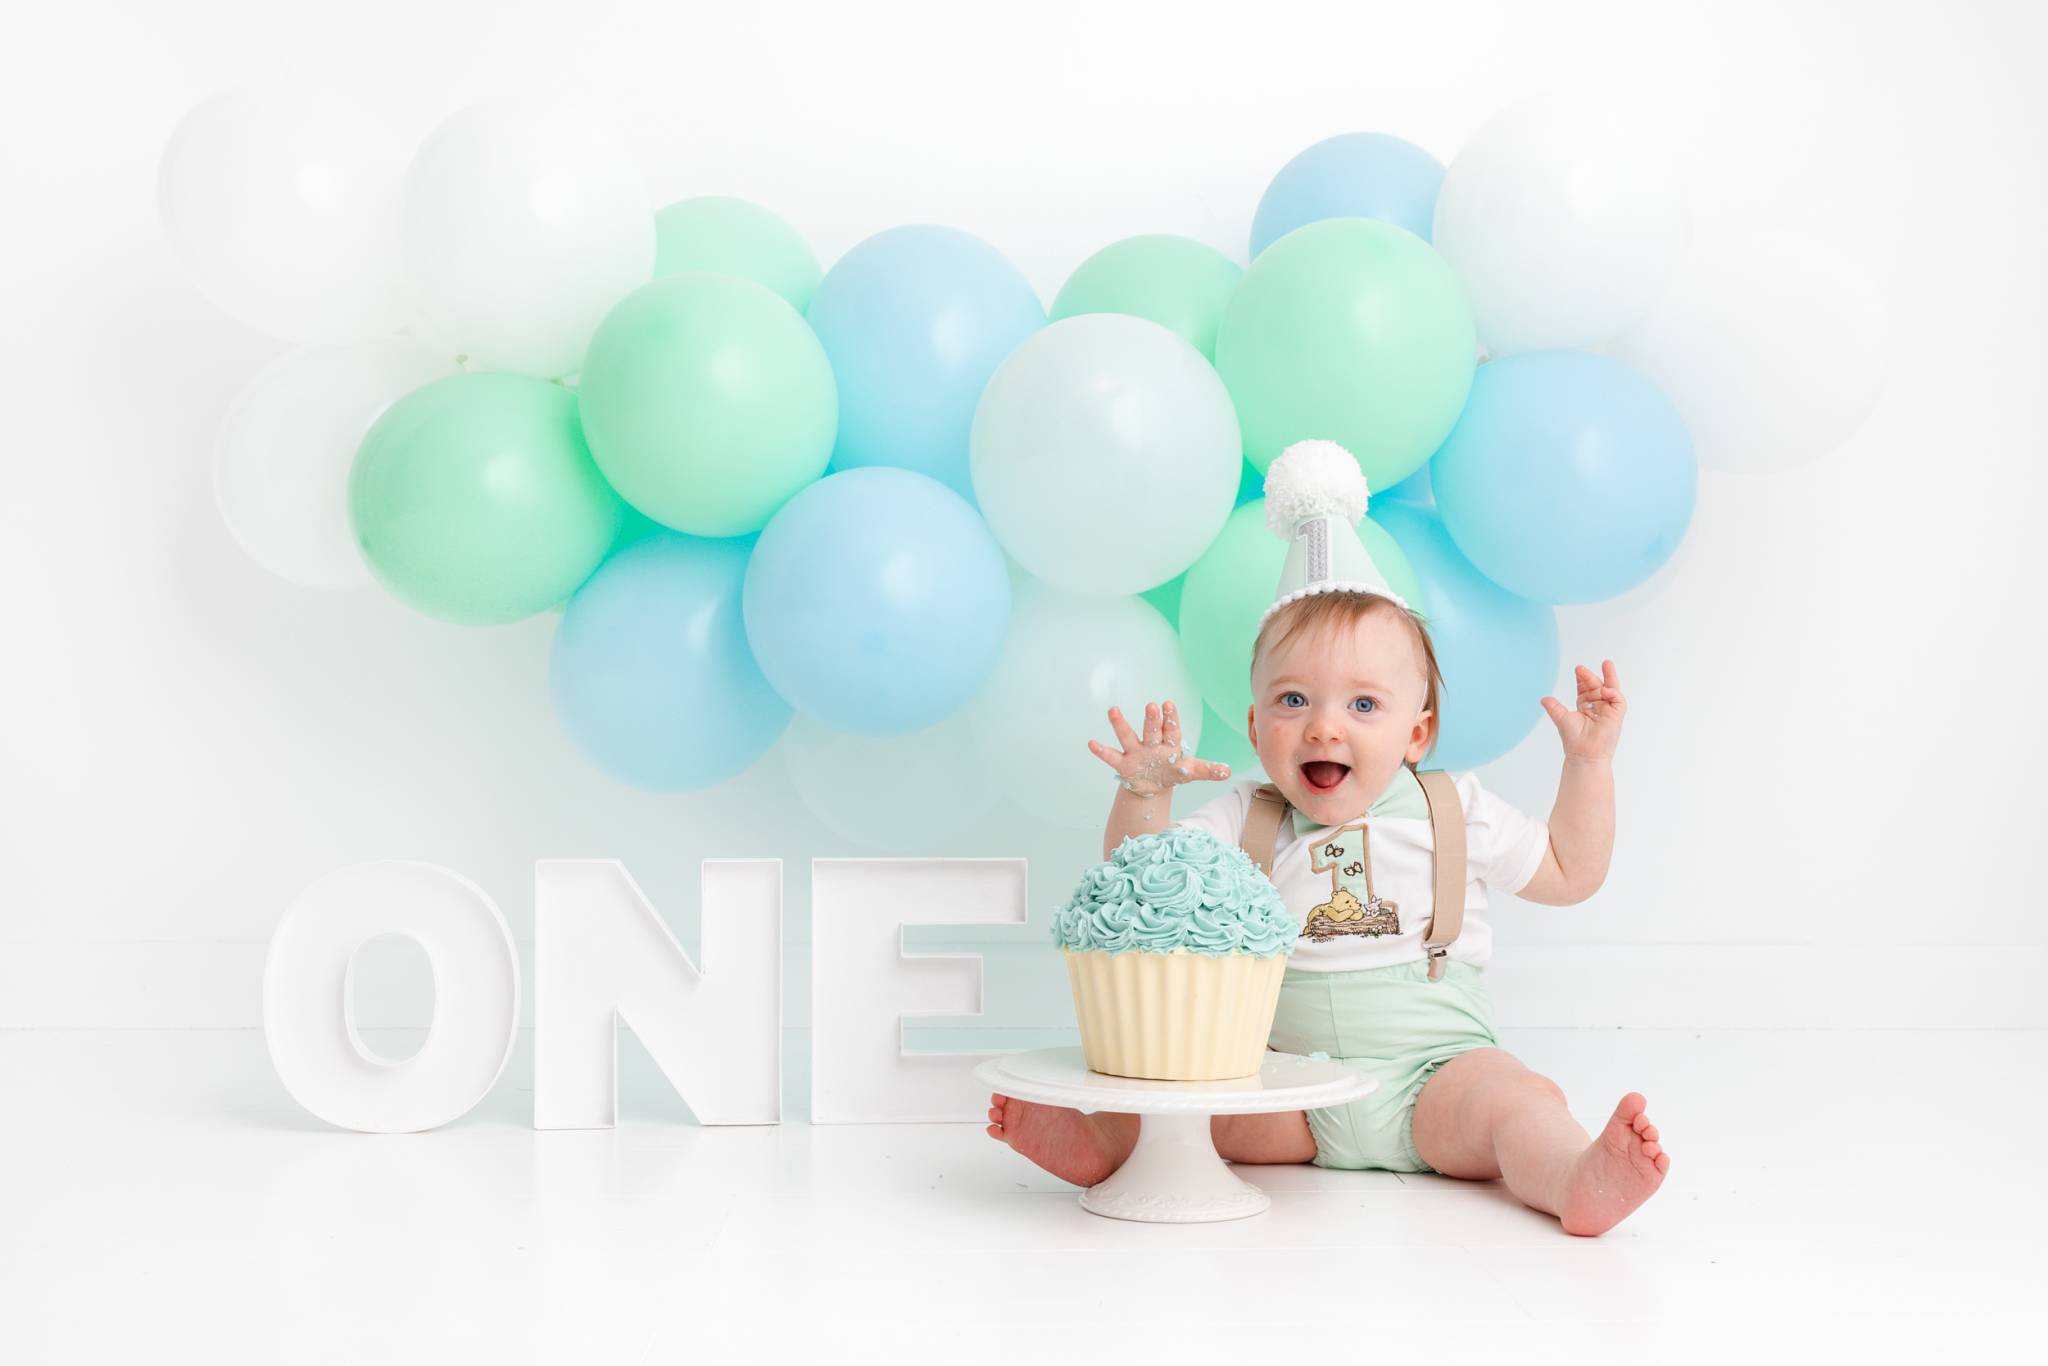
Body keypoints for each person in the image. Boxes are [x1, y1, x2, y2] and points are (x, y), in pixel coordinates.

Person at [984, 440, 1669, 1237]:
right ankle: (1102, 1140)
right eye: (1293, 699)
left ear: (1421, 732)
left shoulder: (1457, 808)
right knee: (1185, 1110)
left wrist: (1588, 767)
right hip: (1286, 1090)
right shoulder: (1250, 815)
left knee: (1515, 1104)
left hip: (1433, 1075)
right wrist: (1145, 794)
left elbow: (1569, 871)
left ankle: (1572, 1174)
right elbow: (1141, 875)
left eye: (1364, 706)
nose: (1324, 726)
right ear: (1254, 723)